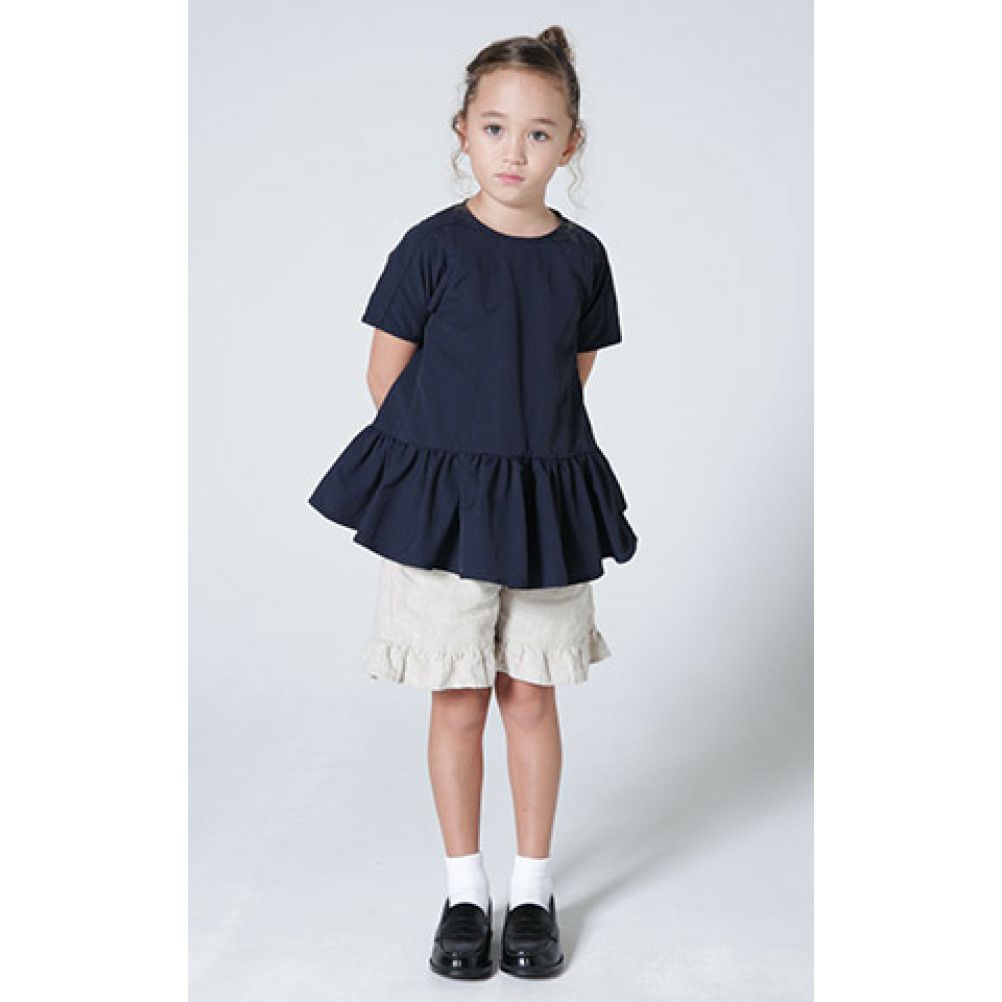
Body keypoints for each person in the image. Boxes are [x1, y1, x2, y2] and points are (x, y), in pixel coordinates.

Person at [307, 24, 638, 980]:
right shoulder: (431, 248)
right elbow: (386, 377)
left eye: (539, 132)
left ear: (570, 143)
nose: (514, 151)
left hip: (543, 505)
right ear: (463, 131)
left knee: (530, 695)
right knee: (457, 698)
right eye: (495, 128)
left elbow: (570, 375)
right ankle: (465, 891)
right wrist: (453, 476)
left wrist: (520, 458)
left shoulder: (583, 258)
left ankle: (532, 891)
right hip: (444, 513)